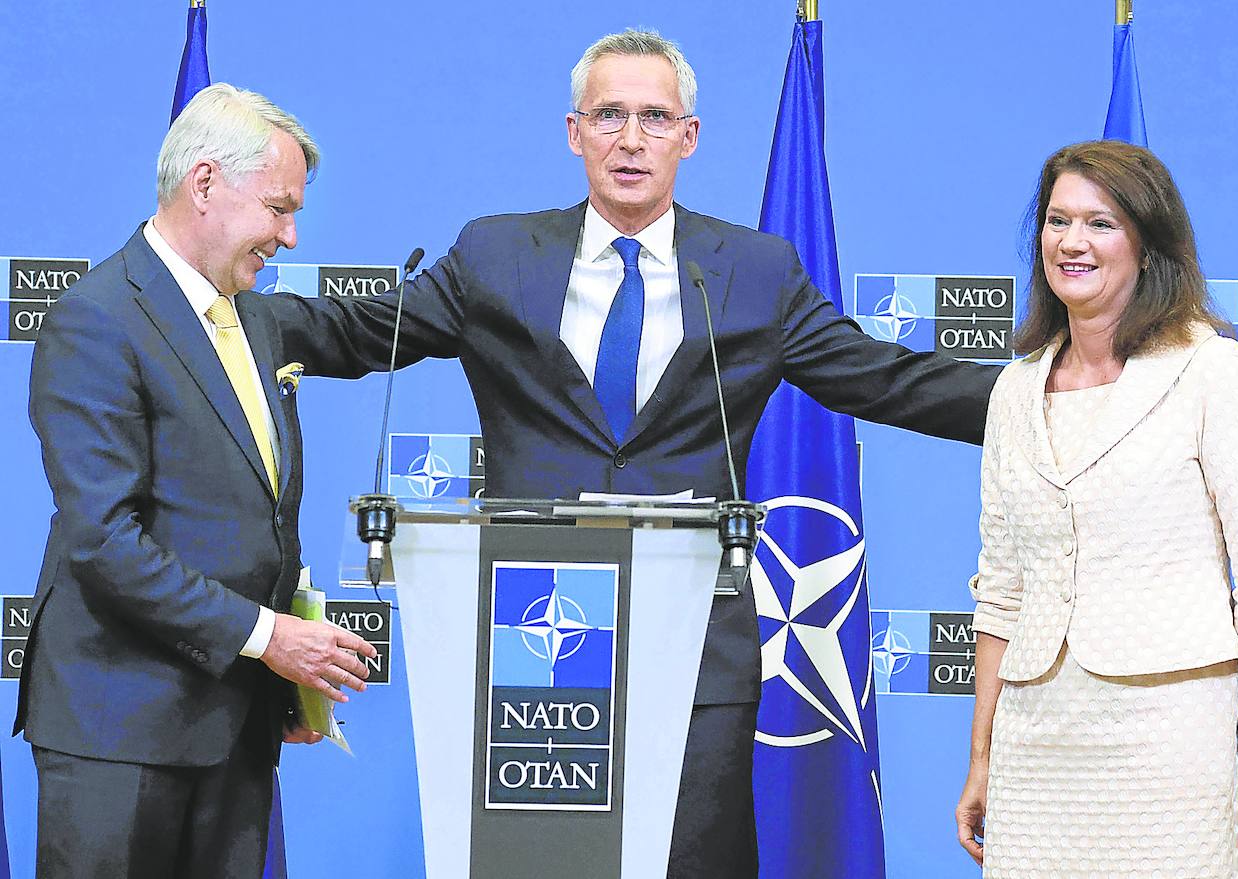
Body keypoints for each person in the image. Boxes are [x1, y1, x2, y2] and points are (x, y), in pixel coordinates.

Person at [263, 29, 998, 877]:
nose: (631, 138)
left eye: (655, 116)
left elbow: (883, 377)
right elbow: (358, 331)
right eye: (609, 115)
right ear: (574, 132)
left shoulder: (754, 271)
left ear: (689, 137)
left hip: (697, 656)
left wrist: (1058, 393)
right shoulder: (496, 255)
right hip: (536, 640)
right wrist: (203, 304)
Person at [18, 83, 378, 878]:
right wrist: (273, 638)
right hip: (119, 733)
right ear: (205, 183)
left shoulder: (252, 317)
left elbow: (246, 511)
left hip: (235, 729)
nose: (290, 236)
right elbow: (104, 542)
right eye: (279, 209)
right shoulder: (96, 321)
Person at [954, 140, 1238, 878]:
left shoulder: (1208, 368)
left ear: (1148, 245)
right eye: (1058, 221)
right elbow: (1001, 590)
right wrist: (982, 758)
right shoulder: (1014, 391)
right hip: (1036, 740)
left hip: (1166, 732)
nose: (1072, 242)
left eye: (1100, 223)